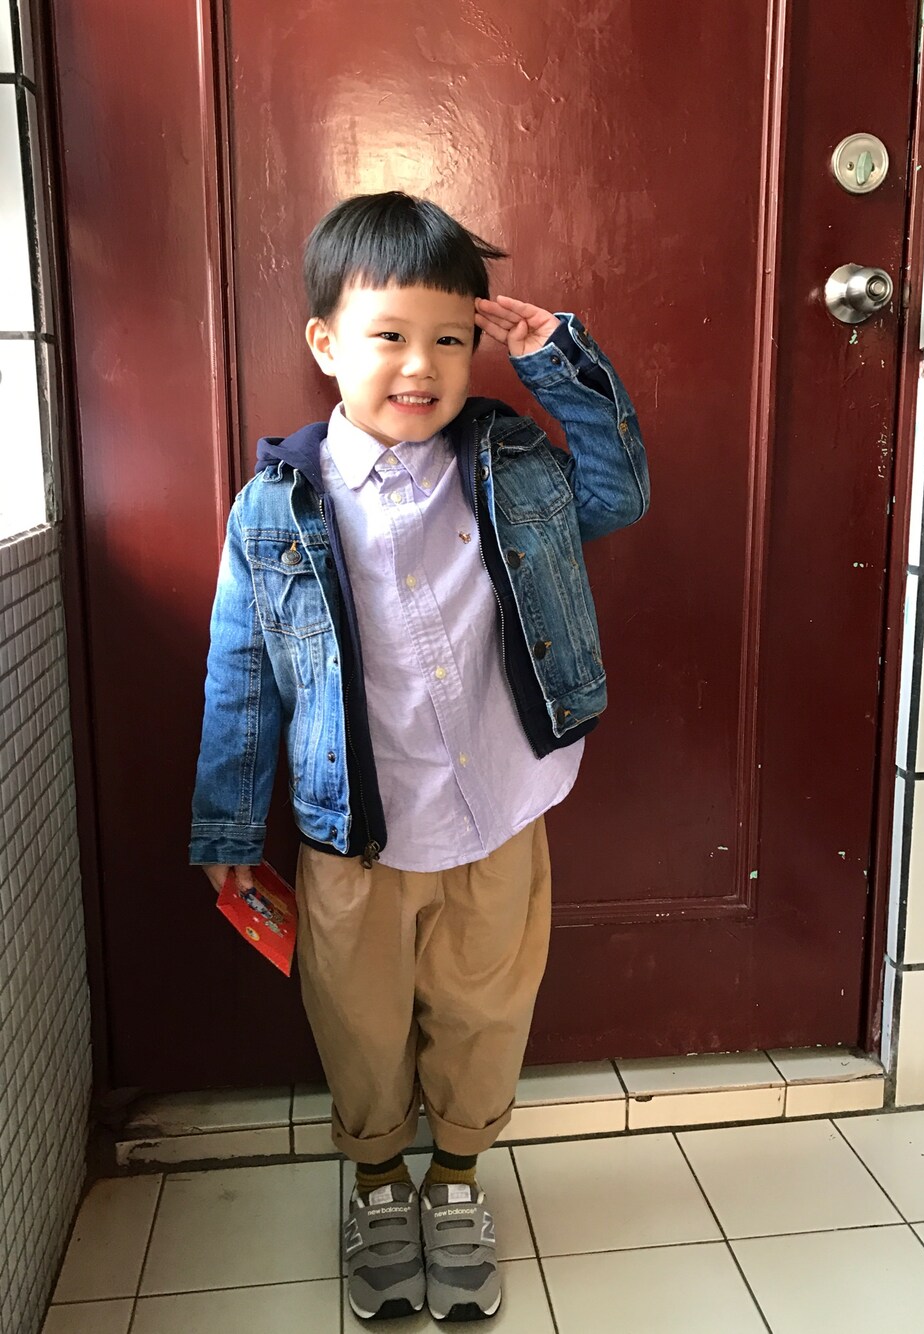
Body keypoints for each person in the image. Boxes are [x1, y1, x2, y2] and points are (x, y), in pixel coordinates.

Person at [190, 191, 649, 1322]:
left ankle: (454, 1179)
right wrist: (227, 828)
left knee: (487, 1011)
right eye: (389, 334)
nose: (421, 364)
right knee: (358, 1022)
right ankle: (377, 1185)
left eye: (450, 338)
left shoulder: (507, 464)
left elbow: (617, 491)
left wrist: (556, 362)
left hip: (498, 814)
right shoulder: (273, 509)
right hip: (356, 833)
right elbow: (240, 675)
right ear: (325, 343)